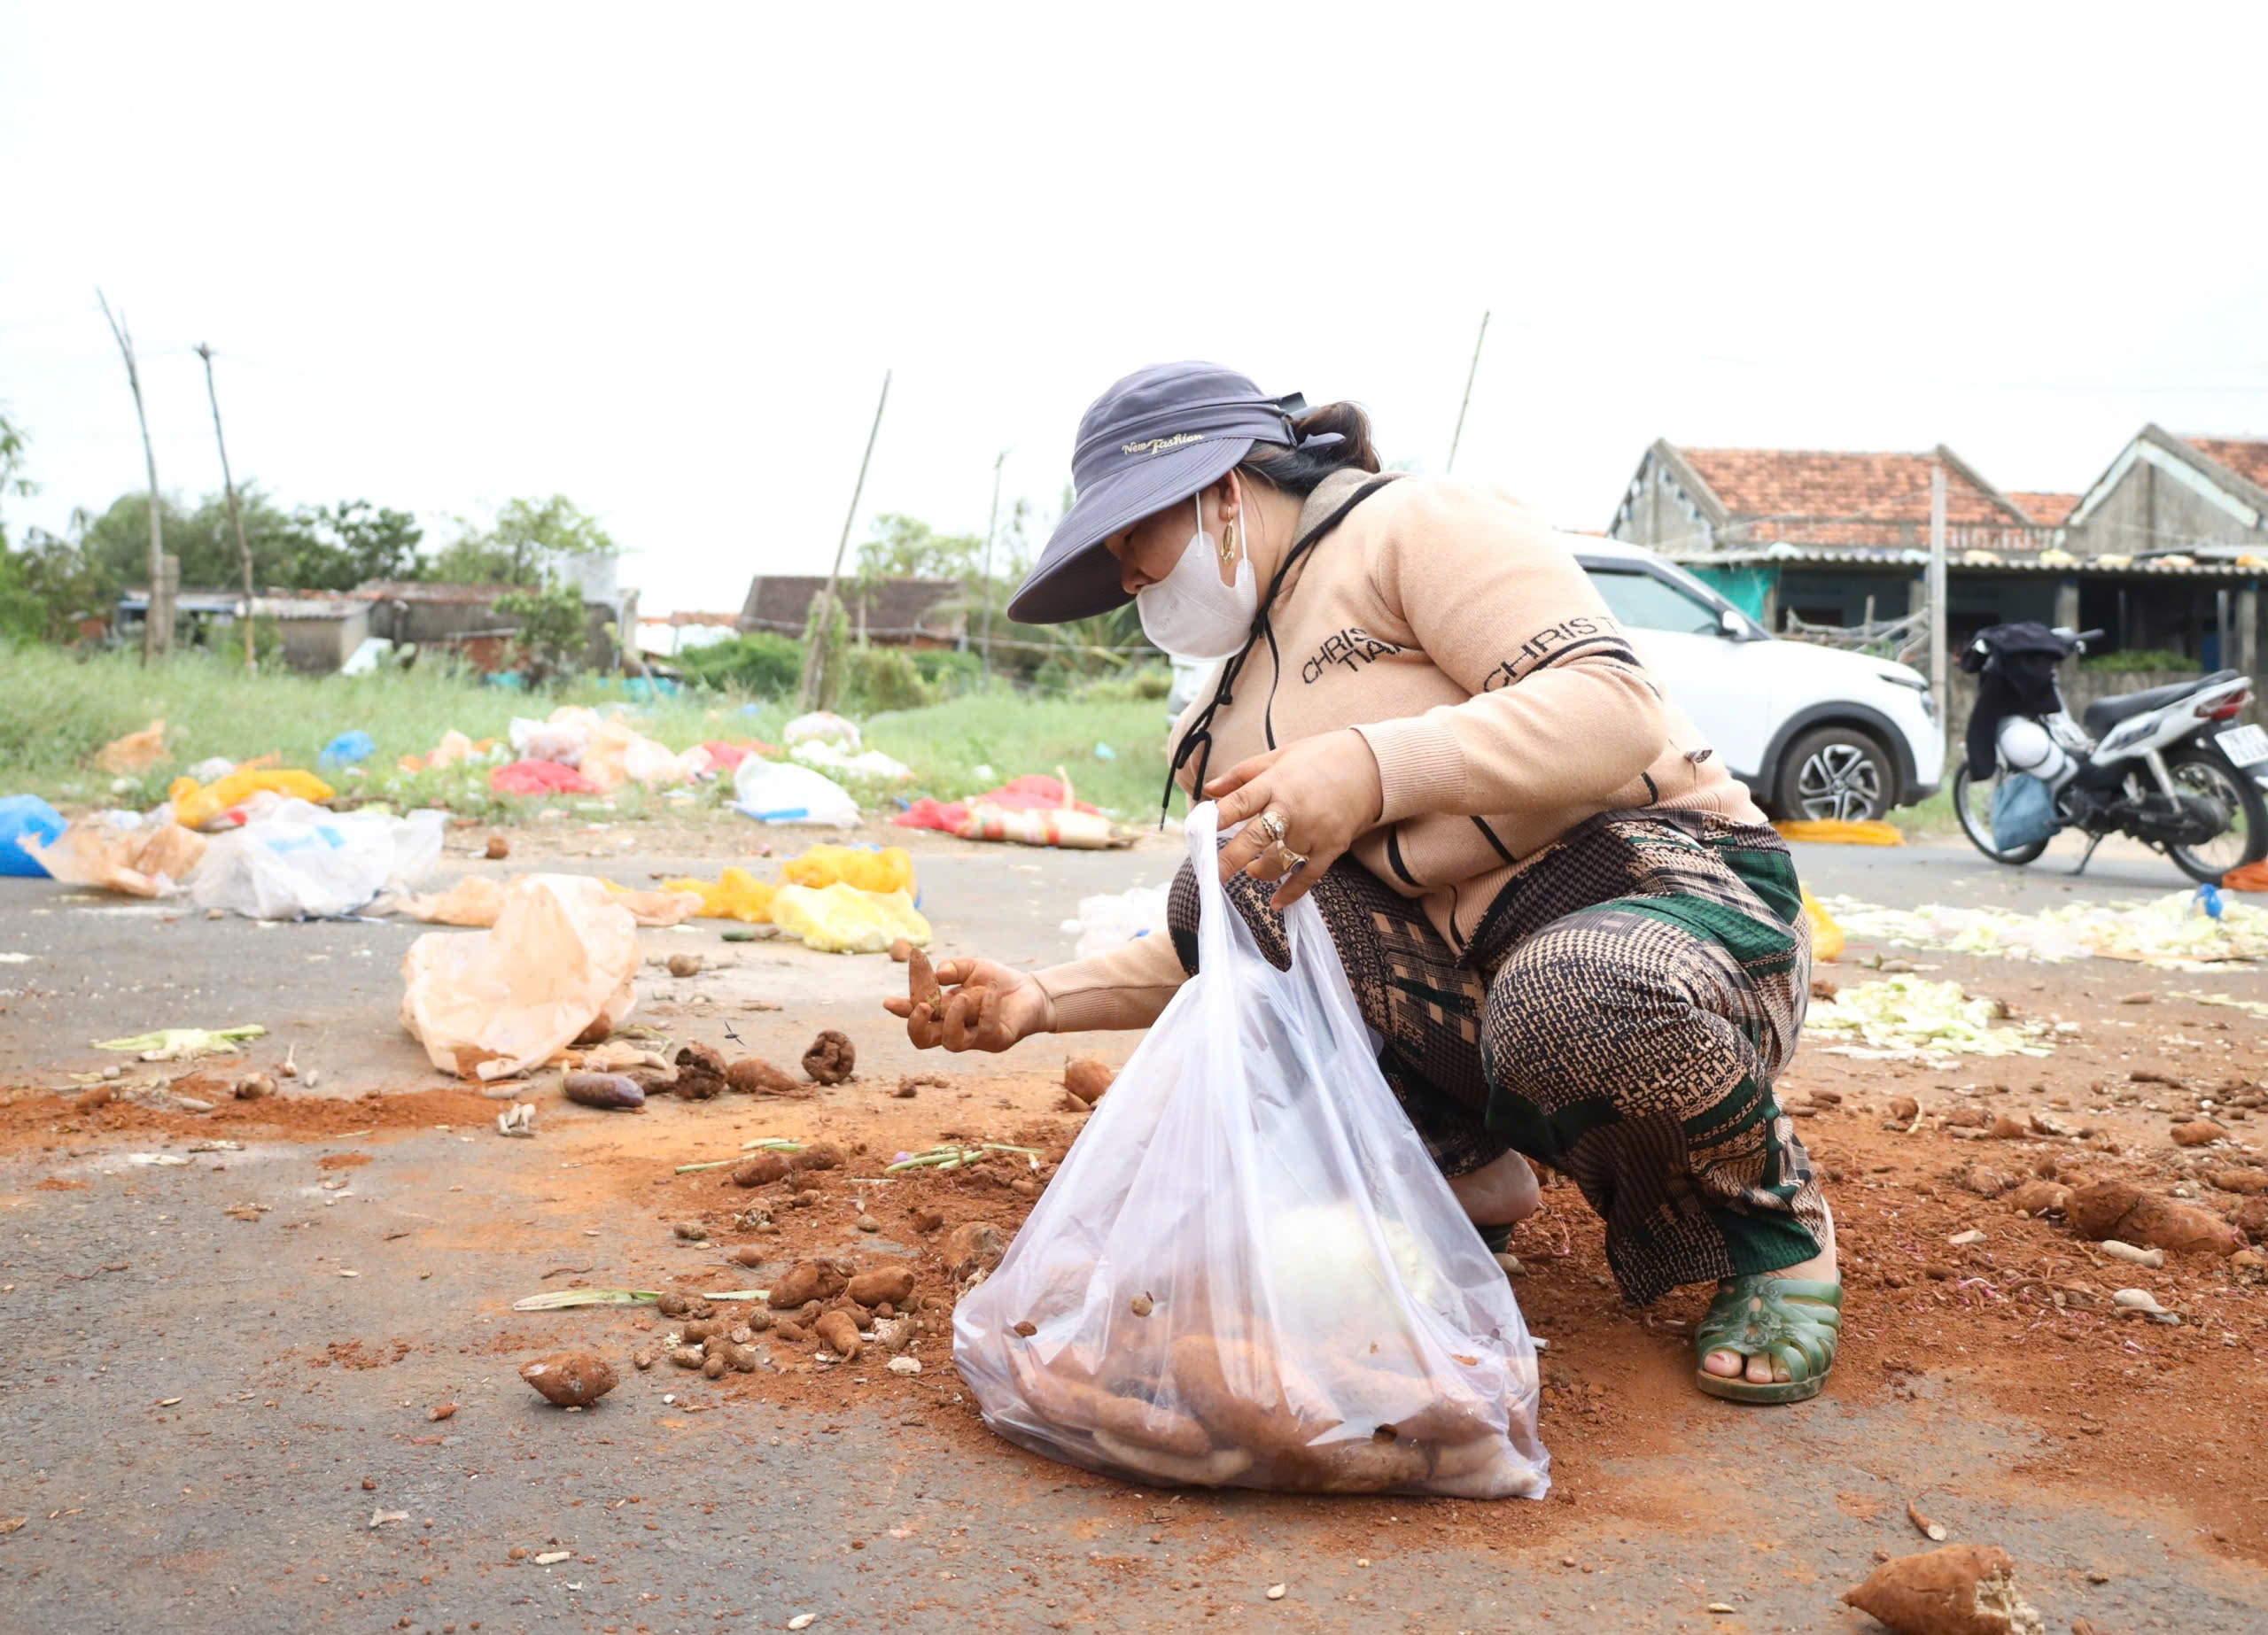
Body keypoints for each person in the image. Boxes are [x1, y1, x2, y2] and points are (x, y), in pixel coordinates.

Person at [883, 361, 1841, 1405]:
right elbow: (1232, 943)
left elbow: (1614, 710)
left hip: (1662, 896)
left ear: (1222, 490)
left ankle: (1774, 1234)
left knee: (1567, 995)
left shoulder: (1416, 526)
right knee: (1223, 893)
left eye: (1134, 538)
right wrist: (1041, 997)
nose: (1126, 577)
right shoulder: (1223, 706)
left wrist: (1368, 767)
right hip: (1470, 974)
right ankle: (1468, 1174)